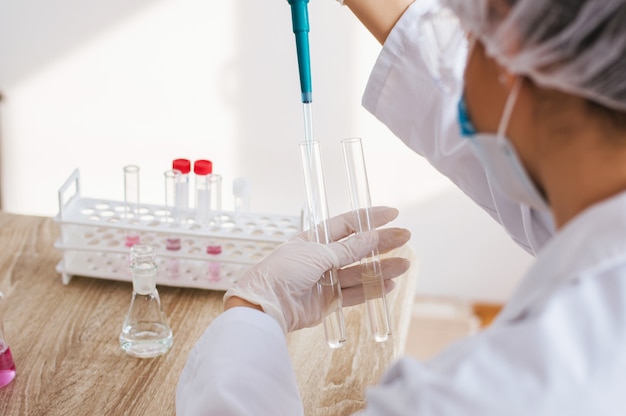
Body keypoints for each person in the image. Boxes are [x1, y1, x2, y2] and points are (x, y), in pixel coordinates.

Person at [177, 0, 626, 414]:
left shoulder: (486, 394)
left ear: (511, 56)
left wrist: (252, 309)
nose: (460, 69)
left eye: (467, 37)